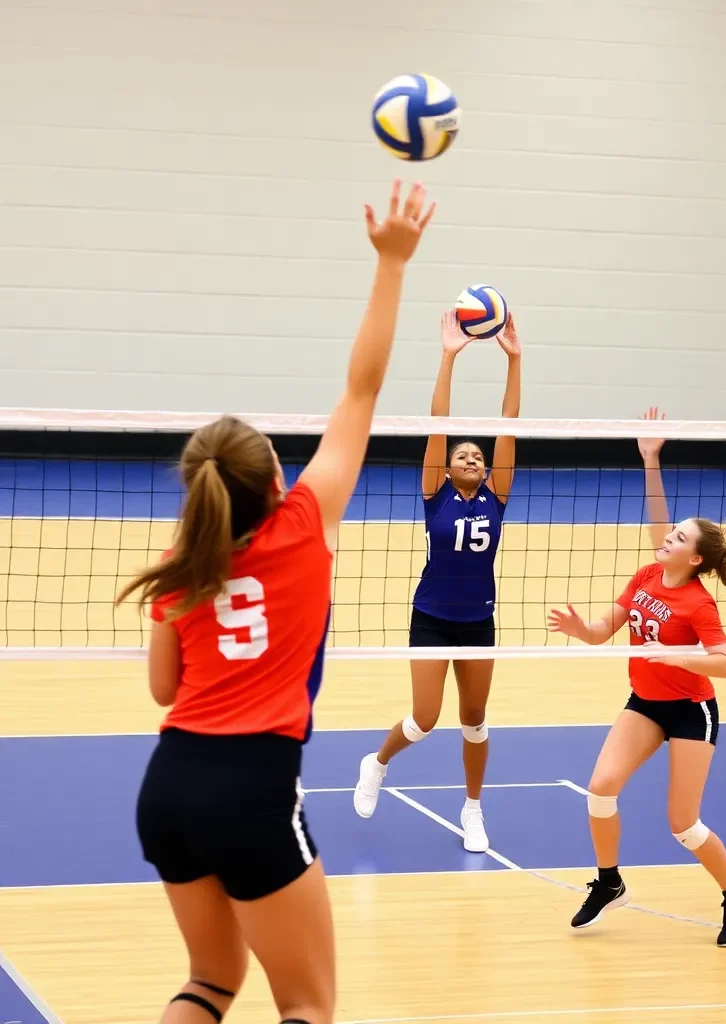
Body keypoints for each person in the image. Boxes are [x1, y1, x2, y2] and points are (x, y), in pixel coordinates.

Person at [117, 180, 434, 1024]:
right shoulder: (306, 522)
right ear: (275, 481)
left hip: (169, 786)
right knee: (306, 1007)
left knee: (208, 984)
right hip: (253, 787)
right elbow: (362, 389)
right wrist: (393, 264)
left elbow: (162, 691)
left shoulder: (180, 563)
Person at [547, 408, 726, 947]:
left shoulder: (697, 603)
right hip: (644, 702)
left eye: (678, 537)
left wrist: (675, 656)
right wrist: (580, 628)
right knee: (599, 789)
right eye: (668, 532)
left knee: (683, 825)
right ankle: (608, 880)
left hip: (691, 710)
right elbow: (603, 632)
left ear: (694, 558)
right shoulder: (647, 574)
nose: (666, 537)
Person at [353, 309, 522, 853]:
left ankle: (472, 808)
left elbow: (509, 424)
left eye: (478, 455)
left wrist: (514, 361)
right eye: (462, 455)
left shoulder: (497, 497)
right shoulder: (436, 495)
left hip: (480, 620)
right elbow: (438, 423)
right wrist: (448, 355)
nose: (472, 456)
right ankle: (376, 763)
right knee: (426, 718)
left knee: (474, 720)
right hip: (431, 617)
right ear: (447, 468)